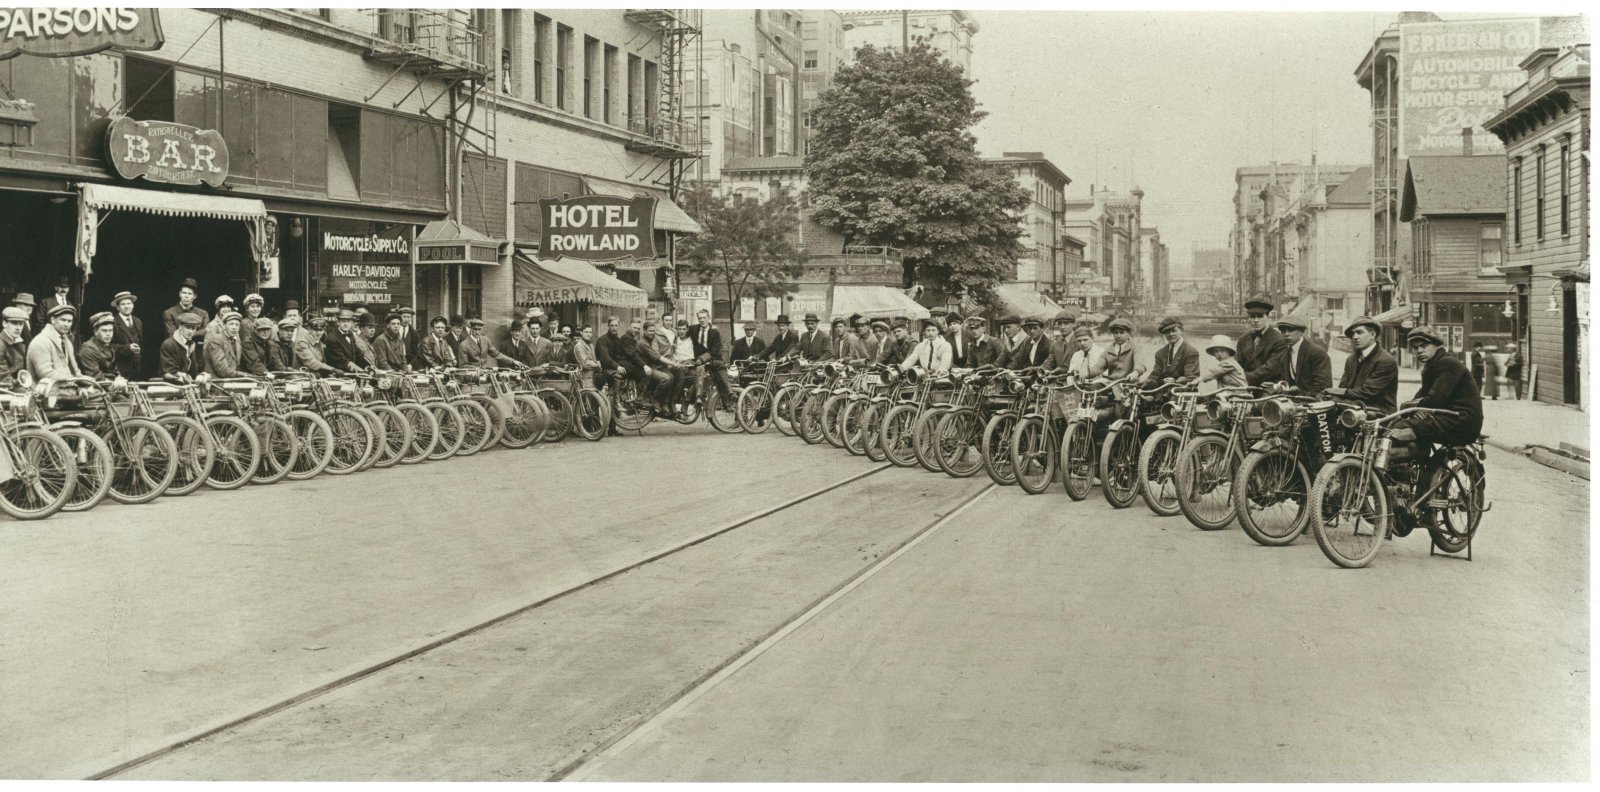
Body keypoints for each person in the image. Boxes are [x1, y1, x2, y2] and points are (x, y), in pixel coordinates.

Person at [1391, 324, 1484, 450]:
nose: (1419, 351)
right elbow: (1423, 395)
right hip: (1448, 417)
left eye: (1424, 346)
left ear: (1437, 345)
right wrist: (1410, 409)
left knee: (1401, 427)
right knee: (1394, 423)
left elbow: (1435, 399)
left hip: (1461, 421)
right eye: (1415, 347)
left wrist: (1413, 409)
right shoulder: (1433, 364)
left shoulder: (1447, 364)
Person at [1326, 316, 1398, 415]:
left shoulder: (1386, 361)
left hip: (1379, 412)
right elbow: (1343, 386)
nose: (1355, 337)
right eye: (1353, 334)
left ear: (1372, 335)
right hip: (1355, 407)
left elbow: (1367, 392)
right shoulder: (1351, 360)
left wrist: (1336, 392)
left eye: (1359, 332)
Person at [1237, 295, 1289, 386]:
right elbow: (1238, 364)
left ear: (1268, 317)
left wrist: (1243, 378)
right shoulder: (1243, 339)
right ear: (1248, 318)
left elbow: (1271, 368)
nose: (1256, 320)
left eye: (1260, 316)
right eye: (1252, 316)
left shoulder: (1279, 340)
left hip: (1269, 385)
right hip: (1245, 384)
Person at [1275, 316, 1332, 395]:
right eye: (1283, 331)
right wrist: (1281, 386)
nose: (1286, 334)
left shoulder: (1316, 352)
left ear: (1301, 332)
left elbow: (1323, 386)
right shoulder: (1285, 355)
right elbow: (1285, 380)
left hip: (1314, 401)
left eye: (1291, 330)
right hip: (1294, 400)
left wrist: (1300, 394)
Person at [26, 303, 82, 380]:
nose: (66, 324)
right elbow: (45, 374)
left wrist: (82, 381)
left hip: (65, 386)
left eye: (69, 321)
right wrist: (74, 381)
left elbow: (74, 370)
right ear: (53, 320)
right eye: (63, 320)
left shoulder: (67, 342)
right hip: (45, 389)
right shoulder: (41, 341)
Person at [690, 309, 732, 406]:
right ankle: (698, 398)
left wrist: (702, 358)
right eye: (700, 318)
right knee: (698, 374)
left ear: (709, 318)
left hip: (713, 359)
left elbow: (715, 349)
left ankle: (728, 399)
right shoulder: (693, 329)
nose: (702, 320)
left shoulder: (714, 332)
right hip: (700, 363)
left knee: (719, 378)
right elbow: (681, 330)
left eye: (704, 317)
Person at [1144, 316, 1200, 384]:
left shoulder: (1191, 352)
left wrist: (1175, 381)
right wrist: (1146, 383)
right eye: (1167, 332)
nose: (1171, 334)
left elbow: (1191, 378)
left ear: (1181, 331)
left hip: (1182, 392)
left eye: (1174, 331)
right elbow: (1156, 375)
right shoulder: (1160, 353)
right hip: (1161, 391)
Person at [322, 309, 371, 373]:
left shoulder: (350, 334)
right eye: (343, 321)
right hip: (337, 375)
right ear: (338, 322)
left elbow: (358, 355)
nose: (346, 324)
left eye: (348, 321)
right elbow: (342, 361)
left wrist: (368, 367)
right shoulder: (332, 339)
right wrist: (361, 371)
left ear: (351, 323)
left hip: (350, 374)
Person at [162, 279, 209, 345]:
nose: (186, 296)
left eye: (189, 294)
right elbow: (172, 334)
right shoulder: (169, 313)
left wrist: (184, 333)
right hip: (178, 350)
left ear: (194, 296)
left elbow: (206, 332)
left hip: (197, 351)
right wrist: (196, 334)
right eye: (184, 293)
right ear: (180, 294)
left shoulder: (203, 313)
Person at [160, 313, 204, 384]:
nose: (190, 331)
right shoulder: (169, 344)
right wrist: (181, 375)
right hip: (171, 386)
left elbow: (196, 370)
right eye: (188, 327)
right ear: (180, 327)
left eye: (193, 328)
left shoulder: (192, 344)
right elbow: (169, 371)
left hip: (187, 386)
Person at [108, 290, 143, 378]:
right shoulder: (112, 322)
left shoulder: (138, 321)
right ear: (118, 307)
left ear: (133, 305)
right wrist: (128, 348)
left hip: (136, 367)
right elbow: (108, 347)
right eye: (123, 304)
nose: (126, 306)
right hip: (119, 368)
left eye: (129, 303)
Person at [77, 312, 119, 381]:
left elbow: (114, 371)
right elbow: (96, 377)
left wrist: (119, 379)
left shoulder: (107, 345)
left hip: (107, 383)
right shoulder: (88, 350)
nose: (108, 334)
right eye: (104, 331)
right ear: (96, 332)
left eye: (110, 330)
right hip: (94, 386)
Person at [204, 311, 246, 378]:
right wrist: (242, 374)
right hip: (216, 381)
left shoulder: (237, 340)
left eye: (237, 325)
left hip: (231, 379)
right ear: (224, 326)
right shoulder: (216, 340)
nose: (234, 327)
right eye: (231, 324)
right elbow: (222, 370)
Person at [38, 275, 76, 344]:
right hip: (49, 339)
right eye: (61, 287)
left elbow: (74, 324)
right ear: (56, 288)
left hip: (66, 340)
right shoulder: (46, 302)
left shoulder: (70, 305)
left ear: (68, 289)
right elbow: (40, 322)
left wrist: (70, 336)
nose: (63, 289)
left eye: (66, 287)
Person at [0, 306, 28, 382]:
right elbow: (4, 378)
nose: (18, 328)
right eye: (14, 323)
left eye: (21, 324)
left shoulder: (18, 342)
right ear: (4, 323)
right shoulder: (1, 344)